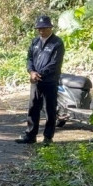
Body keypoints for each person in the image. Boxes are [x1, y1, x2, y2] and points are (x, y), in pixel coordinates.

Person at [16, 15, 65, 145]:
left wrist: (39, 74)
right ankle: (30, 135)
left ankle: (48, 138)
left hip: (50, 81)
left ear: (50, 28)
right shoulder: (35, 42)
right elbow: (29, 58)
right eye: (39, 29)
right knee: (33, 108)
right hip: (35, 81)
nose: (41, 31)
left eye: (44, 29)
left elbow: (55, 63)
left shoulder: (57, 43)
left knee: (50, 109)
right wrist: (31, 72)